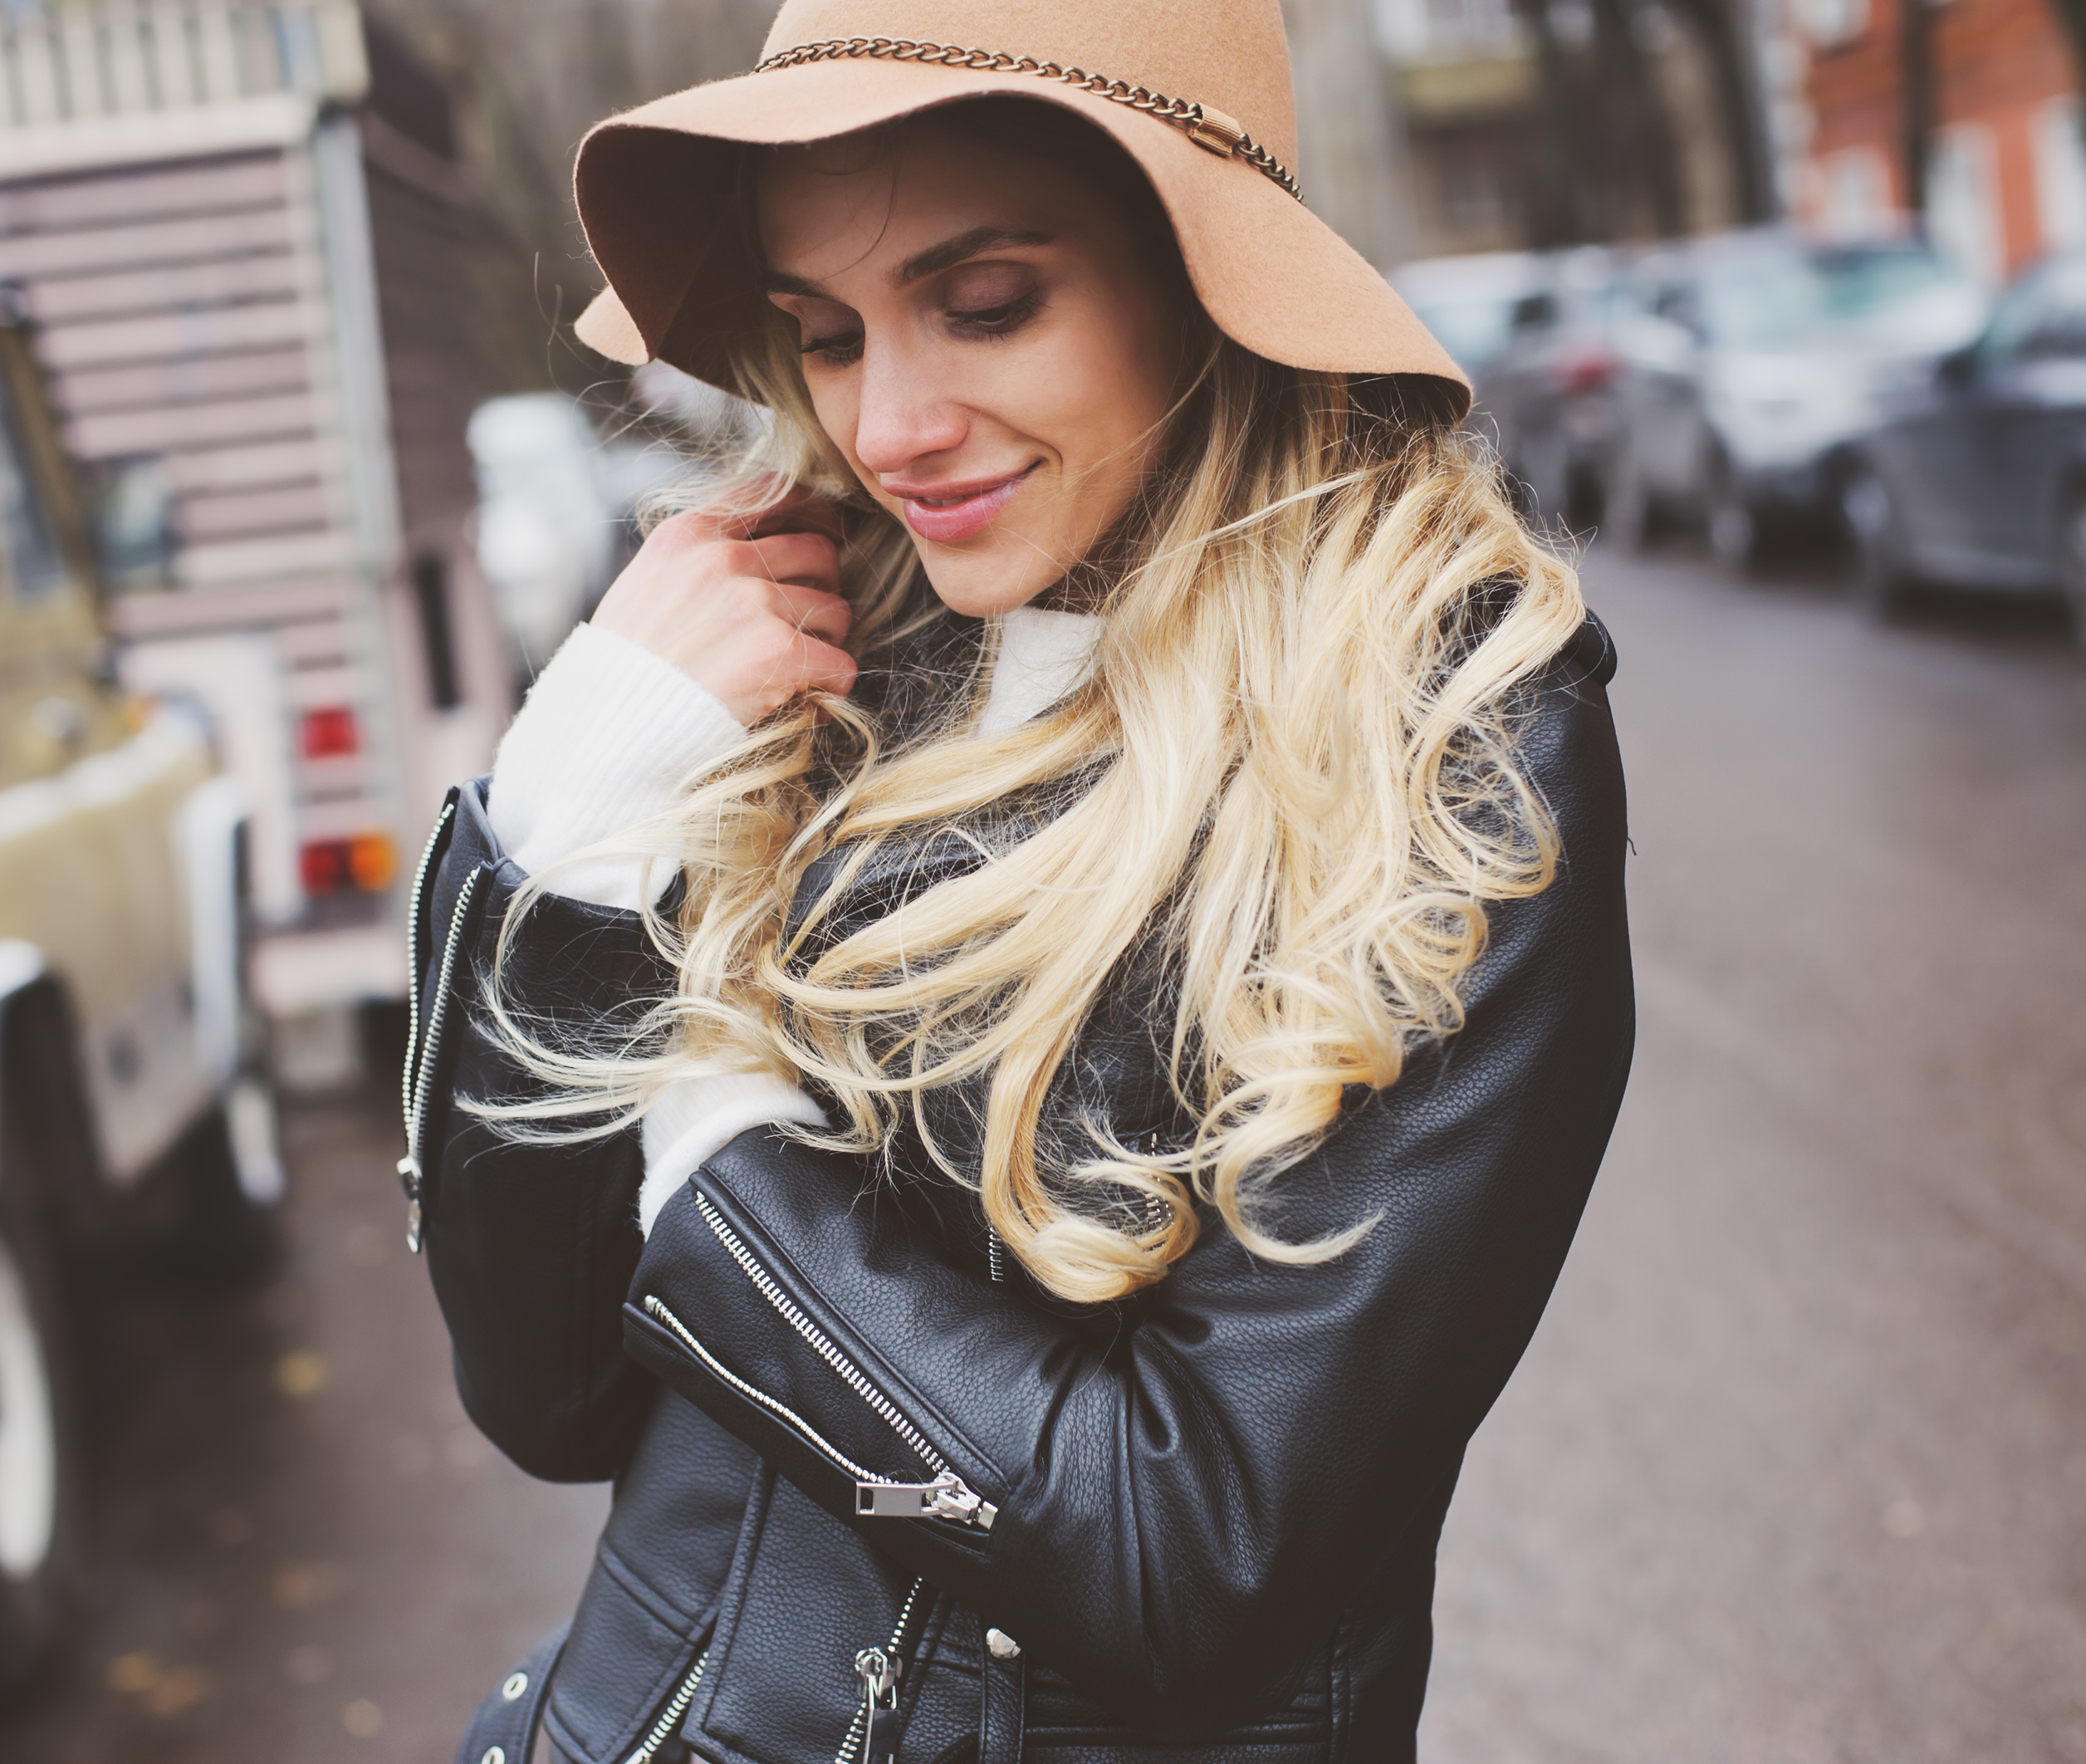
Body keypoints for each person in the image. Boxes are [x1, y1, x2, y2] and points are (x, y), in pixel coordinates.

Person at [406, 4, 1633, 1760]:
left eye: (987, 305)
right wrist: (558, 842)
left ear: (1197, 275)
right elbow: (547, 1391)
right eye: (823, 335)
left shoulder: (1439, 745)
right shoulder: (795, 660)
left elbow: (1187, 1564)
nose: (891, 426)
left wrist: (712, 1145)